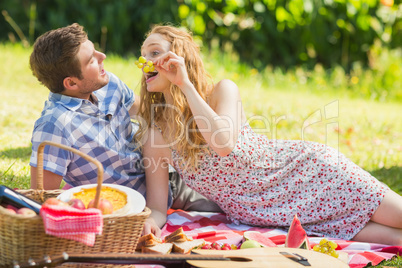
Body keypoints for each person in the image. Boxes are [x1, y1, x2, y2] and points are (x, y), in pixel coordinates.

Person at [136, 24, 402, 245]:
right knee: (394, 239)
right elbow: (158, 207)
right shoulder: (155, 135)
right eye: (143, 54)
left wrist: (184, 85)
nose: (144, 61)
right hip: (265, 213)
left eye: (154, 52)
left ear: (179, 58)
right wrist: (150, 221)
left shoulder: (221, 92)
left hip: (305, 173)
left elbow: (223, 144)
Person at [29, 23, 222, 219]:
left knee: (234, 201)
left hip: (171, 175)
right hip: (144, 204)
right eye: (91, 60)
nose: (102, 56)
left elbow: (153, 116)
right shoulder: (55, 126)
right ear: (71, 83)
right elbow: (42, 199)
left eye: (95, 49)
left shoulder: (108, 85)